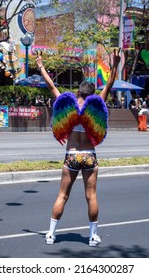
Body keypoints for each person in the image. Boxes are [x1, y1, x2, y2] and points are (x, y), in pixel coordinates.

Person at [36, 49, 121, 247]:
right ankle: (92, 237)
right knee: (91, 195)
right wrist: (115, 64)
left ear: (77, 93)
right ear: (93, 96)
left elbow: (51, 87)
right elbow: (109, 84)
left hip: (71, 155)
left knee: (62, 196)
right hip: (90, 155)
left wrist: (40, 65)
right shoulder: (96, 108)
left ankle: (50, 234)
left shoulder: (68, 107)